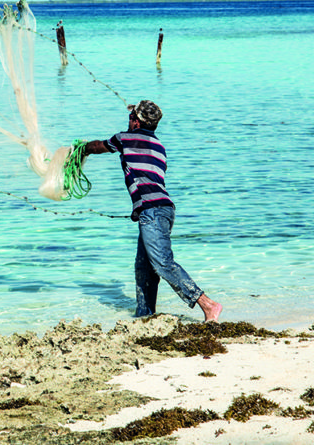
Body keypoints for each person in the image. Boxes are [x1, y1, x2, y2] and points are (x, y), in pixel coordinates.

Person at [83, 100, 222, 322]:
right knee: (144, 269)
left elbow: (97, 146)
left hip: (153, 212)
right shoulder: (159, 147)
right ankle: (145, 316)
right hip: (163, 210)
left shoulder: (124, 139)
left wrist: (80, 150)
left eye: (131, 117)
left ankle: (208, 305)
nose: (128, 120)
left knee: (162, 263)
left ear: (136, 122)